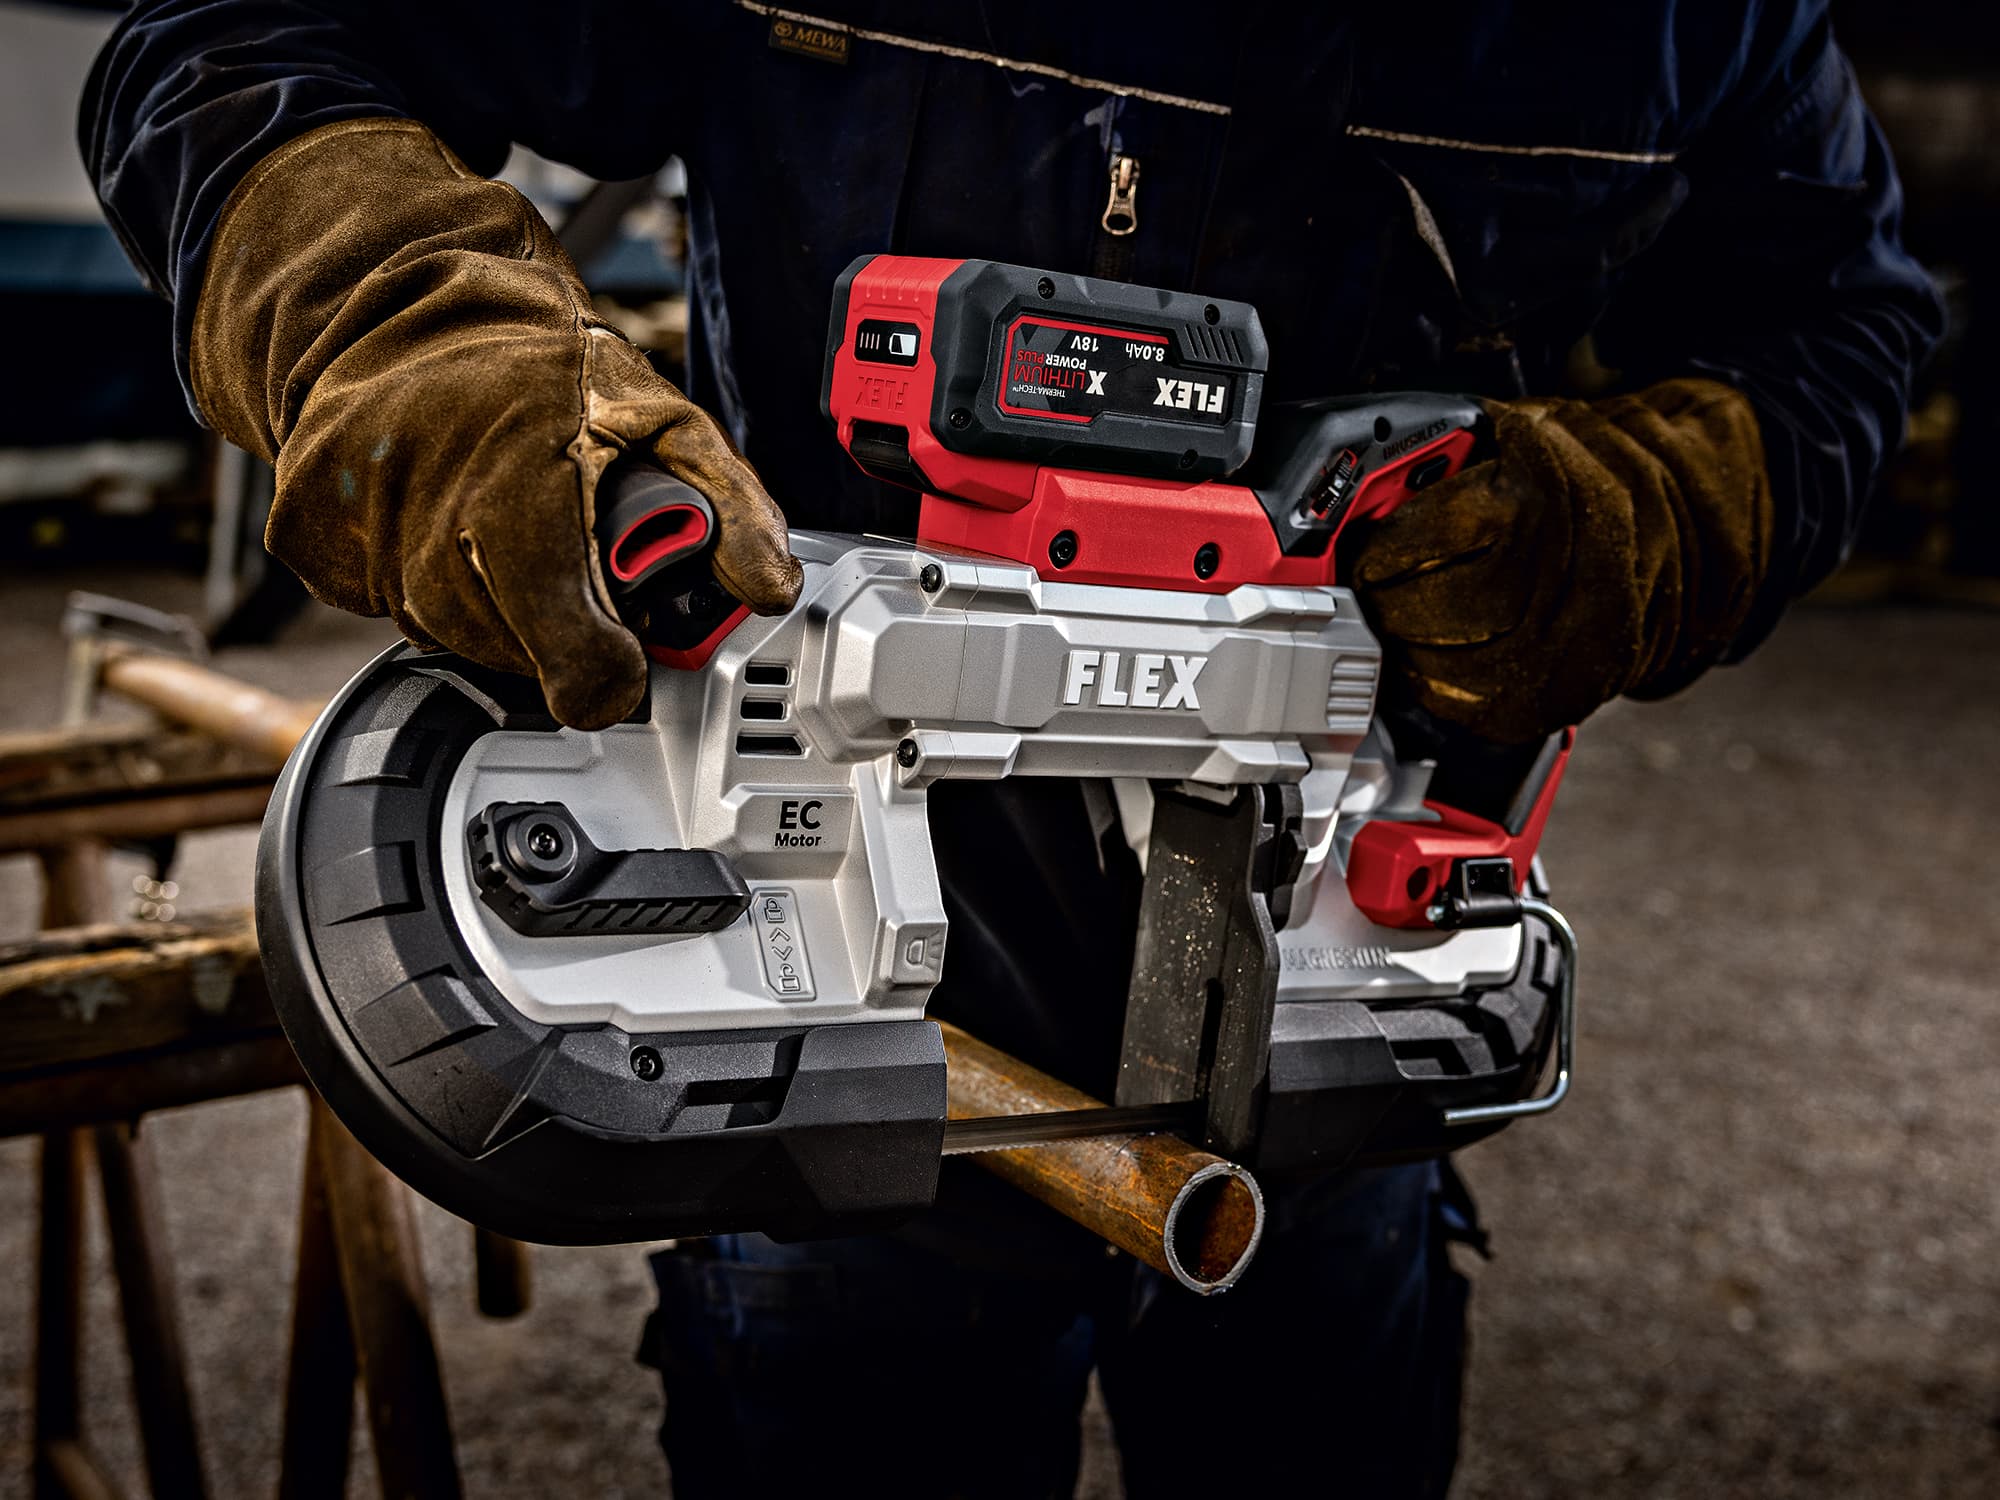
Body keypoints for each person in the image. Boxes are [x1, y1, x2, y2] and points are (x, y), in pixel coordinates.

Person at [83, 4, 1940, 1494]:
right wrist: (420, 338)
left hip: (1328, 1000)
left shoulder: (1697, 18)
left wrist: (1641, 519)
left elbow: (1846, 322)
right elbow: (228, 42)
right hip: (817, 1007)